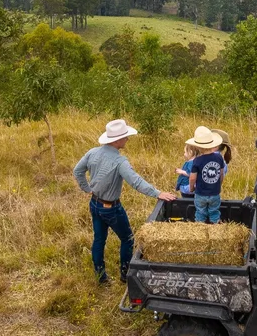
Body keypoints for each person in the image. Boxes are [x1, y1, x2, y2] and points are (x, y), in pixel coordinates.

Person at [73, 118, 176, 284]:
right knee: (128, 239)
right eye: (125, 137)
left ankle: (100, 277)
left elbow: (77, 171)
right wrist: (158, 193)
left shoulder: (92, 152)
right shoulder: (120, 161)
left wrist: (87, 189)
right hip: (111, 208)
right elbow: (136, 182)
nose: (127, 139)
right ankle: (125, 274)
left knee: (99, 240)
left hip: (95, 203)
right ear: (117, 140)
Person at [185, 125, 227, 224]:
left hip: (200, 193)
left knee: (200, 212)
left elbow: (192, 178)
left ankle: (200, 228)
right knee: (214, 212)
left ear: (197, 146)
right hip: (215, 193)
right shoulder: (219, 158)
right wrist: (219, 185)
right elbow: (221, 174)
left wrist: (191, 188)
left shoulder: (197, 160)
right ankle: (215, 226)